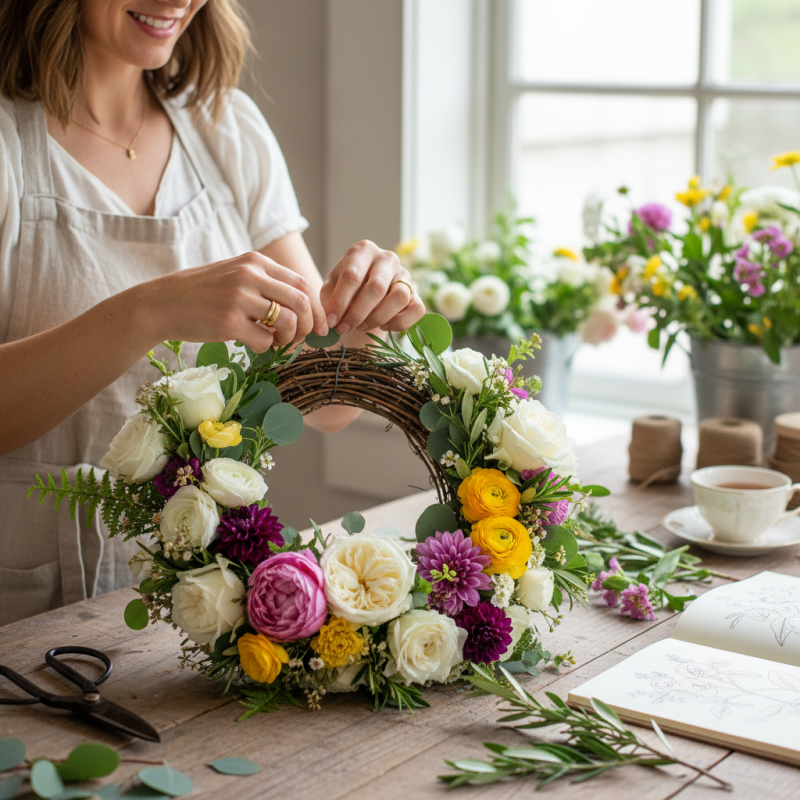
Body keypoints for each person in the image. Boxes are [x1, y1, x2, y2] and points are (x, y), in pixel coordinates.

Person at [0, 0, 425, 625]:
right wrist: (151, 311)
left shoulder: (225, 127)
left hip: (202, 610)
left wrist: (367, 319)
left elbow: (326, 404)